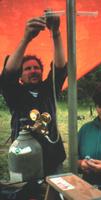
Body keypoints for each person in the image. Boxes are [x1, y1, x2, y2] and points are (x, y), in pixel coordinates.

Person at [1, 10, 67, 177]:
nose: (33, 71)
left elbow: (60, 68)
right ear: (20, 76)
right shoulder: (15, 93)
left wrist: (56, 32)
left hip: (53, 158)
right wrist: (26, 39)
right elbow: (8, 74)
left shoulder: (48, 89)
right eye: (28, 68)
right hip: (25, 157)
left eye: (36, 68)